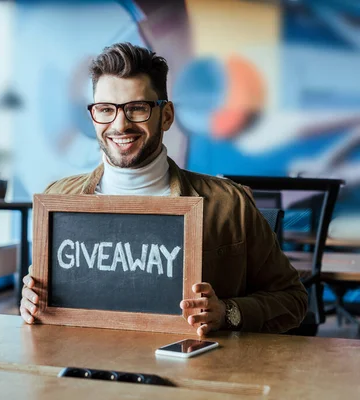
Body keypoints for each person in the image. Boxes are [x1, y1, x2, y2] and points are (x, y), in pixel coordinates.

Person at [20, 42, 308, 335]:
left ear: (167, 115)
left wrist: (228, 312)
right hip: (84, 371)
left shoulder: (229, 203)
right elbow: (42, 297)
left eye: (137, 108)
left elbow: (293, 300)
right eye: (106, 109)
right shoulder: (59, 201)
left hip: (196, 372)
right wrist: (31, 301)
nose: (120, 125)